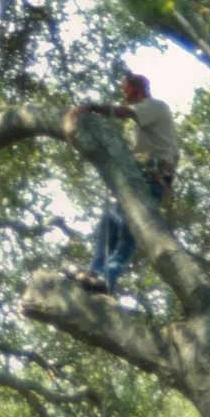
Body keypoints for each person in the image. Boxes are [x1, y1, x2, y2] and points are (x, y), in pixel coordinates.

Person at [66, 73, 179, 295]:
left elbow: (125, 112)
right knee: (108, 228)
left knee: (128, 236)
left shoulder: (155, 107)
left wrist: (93, 107)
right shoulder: (138, 127)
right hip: (134, 179)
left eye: (129, 93)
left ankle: (107, 280)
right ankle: (93, 274)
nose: (127, 99)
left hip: (150, 181)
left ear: (139, 91)